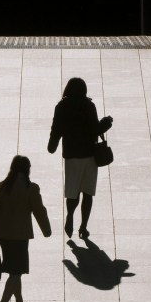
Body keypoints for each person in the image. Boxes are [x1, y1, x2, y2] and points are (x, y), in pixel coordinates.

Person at [47, 77, 113, 240]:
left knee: (72, 191)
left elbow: (56, 129)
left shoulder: (61, 106)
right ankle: (83, 226)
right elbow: (95, 129)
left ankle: (70, 215)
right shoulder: (88, 105)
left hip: (71, 155)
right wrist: (106, 123)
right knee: (88, 192)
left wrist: (52, 145)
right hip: (89, 155)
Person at [0, 155, 52, 302]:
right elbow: (39, 210)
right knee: (17, 272)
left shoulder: (2, 187)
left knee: (14, 271)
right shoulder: (30, 188)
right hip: (20, 237)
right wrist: (47, 230)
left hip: (3, 235)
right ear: (27, 169)